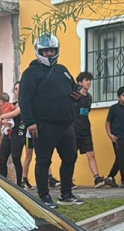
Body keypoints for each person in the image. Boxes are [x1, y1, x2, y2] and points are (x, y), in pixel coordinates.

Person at [19, 33, 81, 206]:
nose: (49, 54)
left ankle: (66, 194)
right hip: (44, 125)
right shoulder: (30, 73)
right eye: (45, 51)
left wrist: (77, 96)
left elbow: (72, 90)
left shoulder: (62, 70)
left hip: (66, 124)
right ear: (39, 51)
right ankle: (44, 196)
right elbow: (24, 99)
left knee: (70, 158)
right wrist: (30, 122)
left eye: (52, 50)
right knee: (44, 161)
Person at [74, 72, 106, 188]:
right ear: (80, 82)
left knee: (91, 154)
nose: (89, 83)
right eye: (86, 80)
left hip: (86, 130)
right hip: (75, 130)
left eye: (90, 80)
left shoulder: (89, 97)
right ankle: (68, 180)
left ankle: (97, 178)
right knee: (71, 156)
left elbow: (87, 111)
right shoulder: (75, 96)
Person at [105, 87, 124, 189]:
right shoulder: (114, 108)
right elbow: (107, 122)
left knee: (119, 158)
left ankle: (110, 177)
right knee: (122, 157)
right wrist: (109, 134)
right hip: (117, 137)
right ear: (119, 97)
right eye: (123, 95)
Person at [0, 92, 23, 185]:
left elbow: (15, 113)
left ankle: (19, 184)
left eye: (18, 89)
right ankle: (3, 183)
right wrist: (3, 121)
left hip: (18, 133)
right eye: (15, 89)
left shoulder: (24, 103)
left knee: (16, 158)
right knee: (2, 158)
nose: (17, 91)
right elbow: (5, 116)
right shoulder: (12, 104)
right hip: (8, 132)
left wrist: (1, 117)